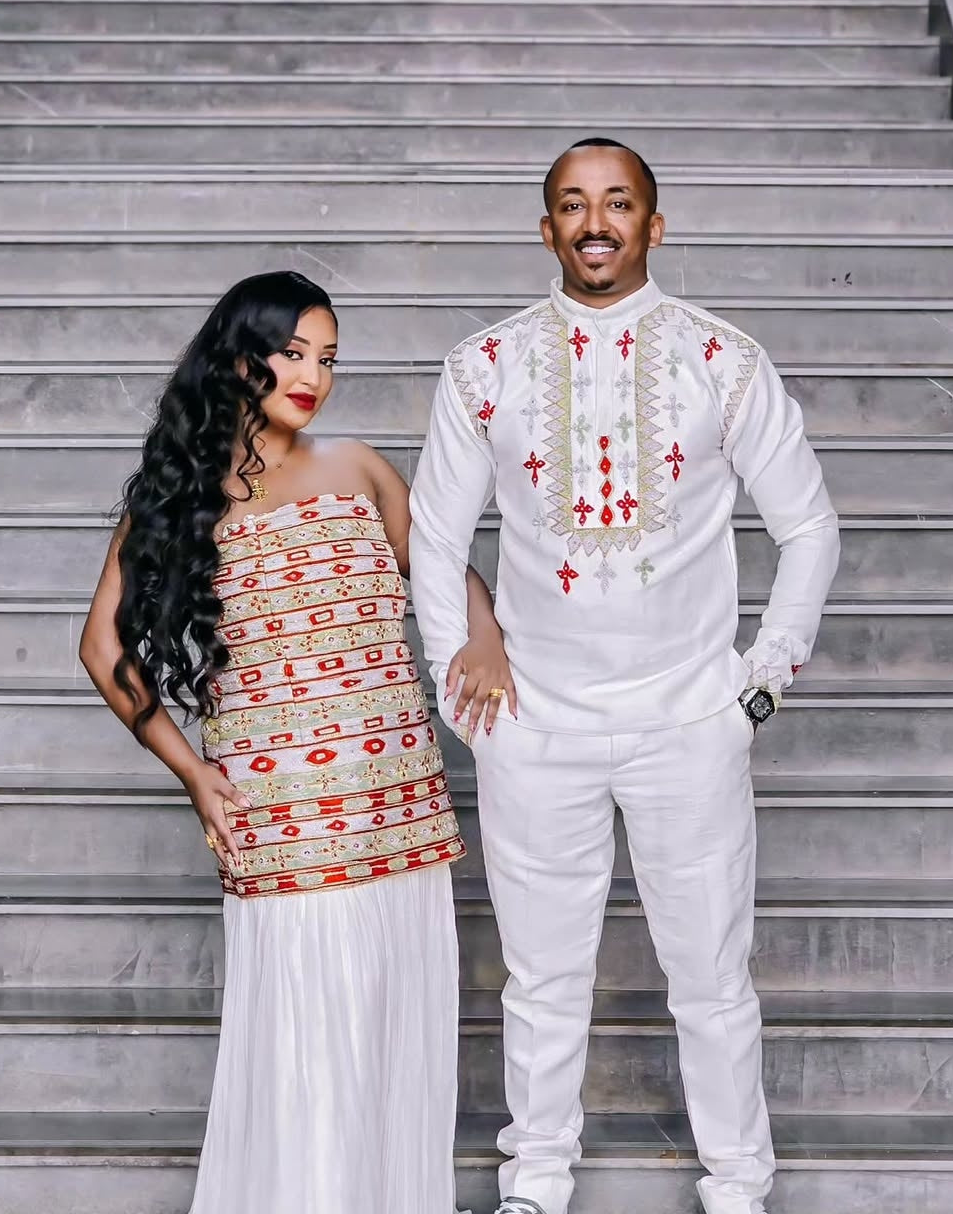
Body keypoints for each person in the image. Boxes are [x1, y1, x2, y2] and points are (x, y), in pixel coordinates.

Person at [409, 139, 841, 1214]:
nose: (594, 222)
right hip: (534, 726)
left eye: (617, 204)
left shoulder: (722, 362)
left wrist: (758, 691)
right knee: (543, 979)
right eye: (571, 204)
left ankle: (738, 1184)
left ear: (656, 222)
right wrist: (463, 682)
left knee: (711, 981)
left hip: (690, 720)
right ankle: (537, 1180)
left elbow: (811, 529)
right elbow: (428, 536)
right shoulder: (484, 367)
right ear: (544, 226)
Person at [79, 271, 511, 1214]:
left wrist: (482, 634)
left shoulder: (356, 465)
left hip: (398, 809)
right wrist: (194, 773)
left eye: (329, 357)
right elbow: (101, 645)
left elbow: (441, 571)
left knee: (395, 1043)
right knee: (311, 1057)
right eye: (295, 352)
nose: (314, 375)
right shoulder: (182, 498)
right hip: (283, 823)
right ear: (243, 358)